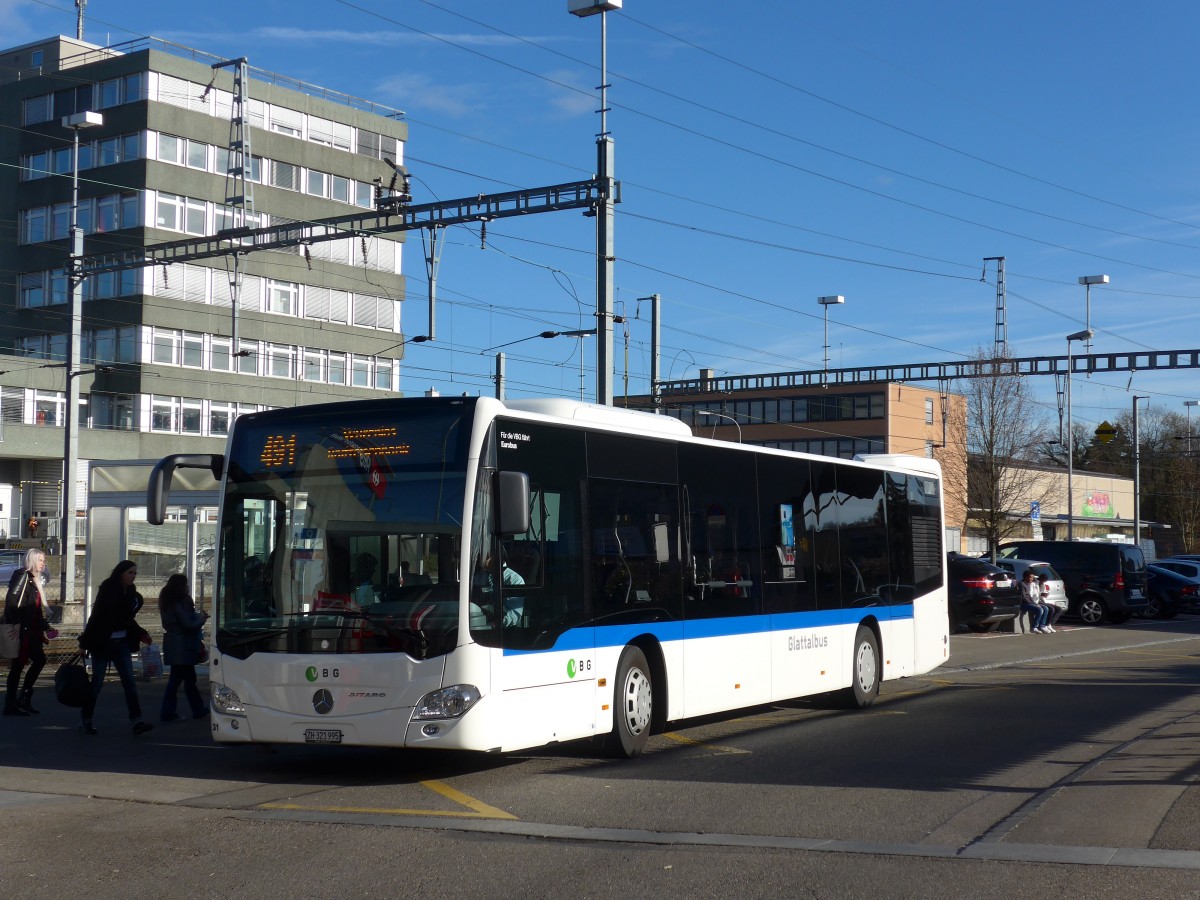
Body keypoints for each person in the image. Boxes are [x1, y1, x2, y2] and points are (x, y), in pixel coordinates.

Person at [78, 560, 155, 735]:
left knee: (129, 682)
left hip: (121, 643)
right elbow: (96, 616)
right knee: (97, 684)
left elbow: (127, 619)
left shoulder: (132, 593)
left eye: (135, 573)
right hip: (103, 643)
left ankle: (137, 720)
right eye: (130, 573)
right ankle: (86, 719)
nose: (133, 576)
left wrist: (141, 633)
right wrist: (84, 643)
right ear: (121, 573)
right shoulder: (108, 589)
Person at [3, 549, 56, 715]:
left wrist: (47, 627)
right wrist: (17, 626)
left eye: (44, 560)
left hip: (29, 630)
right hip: (23, 631)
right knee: (29, 663)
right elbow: (12, 602)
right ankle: (17, 701)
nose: (43, 563)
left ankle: (18, 700)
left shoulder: (34, 580)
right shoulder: (23, 576)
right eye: (40, 560)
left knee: (21, 665)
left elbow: (35, 611)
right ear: (32, 560)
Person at [157, 574, 209, 722]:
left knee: (184, 679)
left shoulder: (167, 600)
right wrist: (201, 618)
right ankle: (170, 711)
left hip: (174, 644)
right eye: (186, 584)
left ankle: (195, 708)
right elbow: (188, 624)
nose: (188, 587)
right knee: (182, 680)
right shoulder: (181, 601)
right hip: (183, 645)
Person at [1019, 569, 1050, 634]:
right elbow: (1024, 598)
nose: (1032, 579)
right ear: (1025, 577)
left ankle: (1042, 625)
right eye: (1031, 577)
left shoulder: (1029, 584)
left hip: (1030, 602)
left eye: (1033, 577)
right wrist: (1034, 604)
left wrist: (1034, 603)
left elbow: (1030, 596)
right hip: (1023, 604)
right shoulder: (1022, 584)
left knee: (1045, 608)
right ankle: (1034, 627)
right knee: (1040, 609)